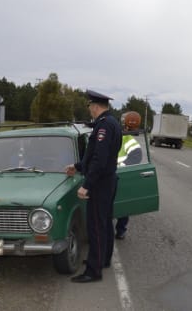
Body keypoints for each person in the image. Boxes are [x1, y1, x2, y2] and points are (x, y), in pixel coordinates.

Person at [65, 89, 122, 283]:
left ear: (95, 106)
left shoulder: (104, 126)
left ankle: (93, 271)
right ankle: (102, 260)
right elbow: (96, 158)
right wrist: (77, 166)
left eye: (90, 106)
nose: (89, 109)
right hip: (107, 180)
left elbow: (99, 159)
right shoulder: (111, 122)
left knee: (96, 226)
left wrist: (87, 185)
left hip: (100, 183)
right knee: (104, 223)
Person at [115, 111, 142, 240]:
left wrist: (120, 167)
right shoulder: (128, 138)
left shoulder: (124, 138)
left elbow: (136, 156)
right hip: (119, 175)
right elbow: (137, 157)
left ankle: (118, 230)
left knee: (118, 204)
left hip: (116, 174)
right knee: (122, 203)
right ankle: (120, 230)